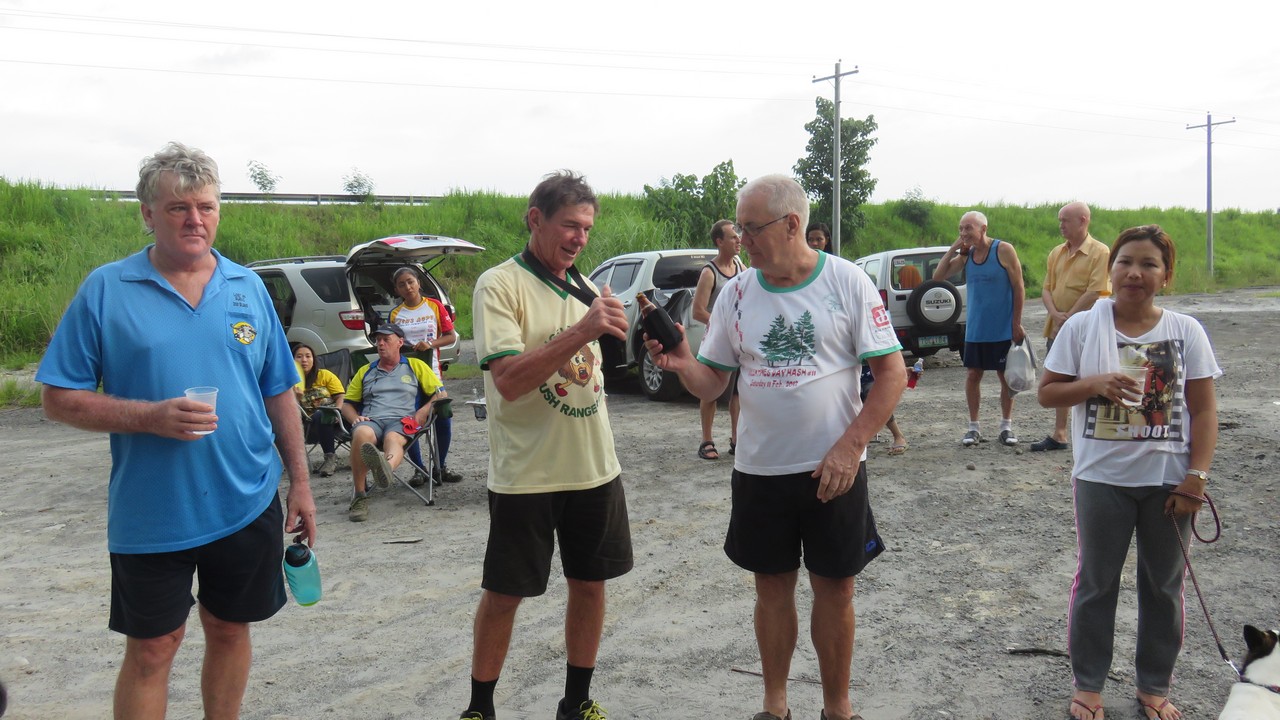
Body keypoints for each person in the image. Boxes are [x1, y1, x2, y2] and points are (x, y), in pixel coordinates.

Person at [35, 141, 317, 720]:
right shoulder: (108, 289)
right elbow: (58, 399)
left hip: (245, 497)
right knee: (153, 648)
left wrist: (302, 483)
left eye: (206, 207)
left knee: (230, 629)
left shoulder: (246, 287)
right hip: (152, 509)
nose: (195, 219)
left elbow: (278, 391)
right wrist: (148, 417)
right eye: (178, 208)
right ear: (148, 213)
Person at [648, 174, 905, 720]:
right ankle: (775, 706)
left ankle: (838, 709)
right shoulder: (737, 293)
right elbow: (713, 383)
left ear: (791, 224)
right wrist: (682, 365)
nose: (741, 240)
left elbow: (892, 374)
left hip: (833, 470)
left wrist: (851, 445)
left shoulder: (847, 282)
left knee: (835, 590)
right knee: (770, 587)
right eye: (738, 229)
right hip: (760, 470)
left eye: (751, 228)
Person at [459, 171, 633, 720]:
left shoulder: (587, 290)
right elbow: (508, 381)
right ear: (536, 219)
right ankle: (479, 708)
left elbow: (597, 371)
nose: (580, 238)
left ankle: (576, 702)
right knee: (504, 594)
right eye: (570, 225)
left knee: (591, 586)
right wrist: (583, 330)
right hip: (527, 474)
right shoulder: (499, 284)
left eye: (587, 228)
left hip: (595, 468)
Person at [1039, 225, 1220, 720]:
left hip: (1169, 482)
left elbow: (1204, 411)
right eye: (1125, 262)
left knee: (1163, 587)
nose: (1134, 273)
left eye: (1148, 264)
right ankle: (1088, 686)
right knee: (1096, 583)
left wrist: (1196, 478)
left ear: (1166, 274)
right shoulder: (1082, 328)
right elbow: (1048, 393)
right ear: (1110, 268)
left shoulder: (1185, 331)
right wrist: (1093, 383)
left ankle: (1153, 687)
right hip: (1101, 479)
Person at [932, 210, 1026, 447]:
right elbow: (938, 277)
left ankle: (1006, 426)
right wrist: (954, 248)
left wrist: (1016, 322)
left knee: (1005, 377)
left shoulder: (1003, 250)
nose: (963, 233)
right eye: (960, 228)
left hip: (1002, 327)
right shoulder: (967, 255)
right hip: (976, 329)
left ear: (983, 229)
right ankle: (973, 427)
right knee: (973, 375)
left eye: (968, 228)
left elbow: (1019, 287)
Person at [340, 322, 445, 522]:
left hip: (402, 420)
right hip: (372, 419)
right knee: (361, 433)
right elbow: (347, 404)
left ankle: (385, 469)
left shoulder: (415, 366)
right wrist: (355, 418)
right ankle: (360, 497)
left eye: (386, 339)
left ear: (400, 342)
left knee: (393, 438)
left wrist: (423, 410)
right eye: (378, 340)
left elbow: (441, 394)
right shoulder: (365, 371)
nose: (380, 344)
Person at [1031, 201, 1111, 452]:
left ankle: (1096, 432)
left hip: (1089, 329)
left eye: (1065, 220)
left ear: (1083, 220)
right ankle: (1060, 433)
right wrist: (1055, 315)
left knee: (1090, 377)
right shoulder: (1057, 252)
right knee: (1059, 377)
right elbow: (1046, 289)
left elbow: (1095, 291)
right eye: (1060, 220)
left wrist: (1068, 319)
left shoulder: (1100, 252)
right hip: (1057, 327)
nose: (1061, 225)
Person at [389, 266, 463, 485]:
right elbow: (391, 343)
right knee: (411, 421)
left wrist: (430, 344)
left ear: (419, 283)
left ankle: (440, 466)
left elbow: (450, 336)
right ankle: (418, 469)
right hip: (407, 376)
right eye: (402, 284)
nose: (408, 287)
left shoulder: (434, 306)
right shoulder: (396, 314)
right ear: (397, 290)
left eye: (410, 281)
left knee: (443, 416)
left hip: (432, 373)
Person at [691, 219, 745, 460]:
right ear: (719, 241)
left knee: (737, 392)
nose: (738, 240)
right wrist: (724, 325)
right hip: (716, 341)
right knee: (710, 391)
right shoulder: (709, 272)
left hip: (738, 341)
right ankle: (706, 441)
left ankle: (736, 439)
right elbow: (698, 311)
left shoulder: (740, 266)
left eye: (738, 235)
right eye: (733, 237)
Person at [294, 343, 346, 477]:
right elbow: (288, 410)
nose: (304, 360)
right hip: (308, 423)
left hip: (336, 417)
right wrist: (296, 397)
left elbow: (340, 396)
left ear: (313, 359)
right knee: (319, 415)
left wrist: (337, 411)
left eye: (308, 356)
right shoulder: (290, 381)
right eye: (299, 356)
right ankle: (330, 458)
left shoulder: (324, 375)